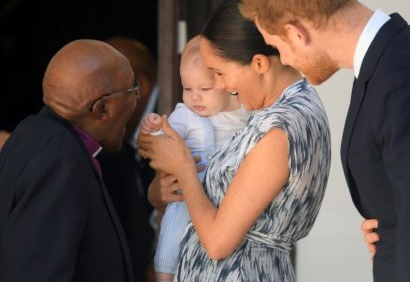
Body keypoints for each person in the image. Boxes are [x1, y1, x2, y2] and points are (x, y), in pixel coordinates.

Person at [240, 0, 410, 281]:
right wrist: (390, 223)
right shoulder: (394, 56)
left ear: (298, 33)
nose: (284, 60)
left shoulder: (400, 80)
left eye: (277, 47)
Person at [138, 0, 331, 281]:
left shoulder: (281, 129)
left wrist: (183, 168)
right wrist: (164, 187)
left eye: (220, 73)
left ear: (259, 63)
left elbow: (218, 243)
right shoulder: (282, 108)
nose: (222, 86)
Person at [0, 39, 138, 282]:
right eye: (132, 89)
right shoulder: (60, 159)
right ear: (102, 109)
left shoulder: (32, 134)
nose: (137, 99)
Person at [140, 35, 248, 282]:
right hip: (187, 194)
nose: (195, 97)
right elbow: (163, 140)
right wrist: (154, 128)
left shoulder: (245, 114)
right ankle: (165, 275)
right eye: (187, 89)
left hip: (227, 199)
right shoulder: (185, 115)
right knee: (172, 230)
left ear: (226, 83)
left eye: (204, 89)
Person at [97, 36, 158, 282]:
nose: (97, 105)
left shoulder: (172, 119)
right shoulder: (126, 136)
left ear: (138, 86)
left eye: (103, 92)